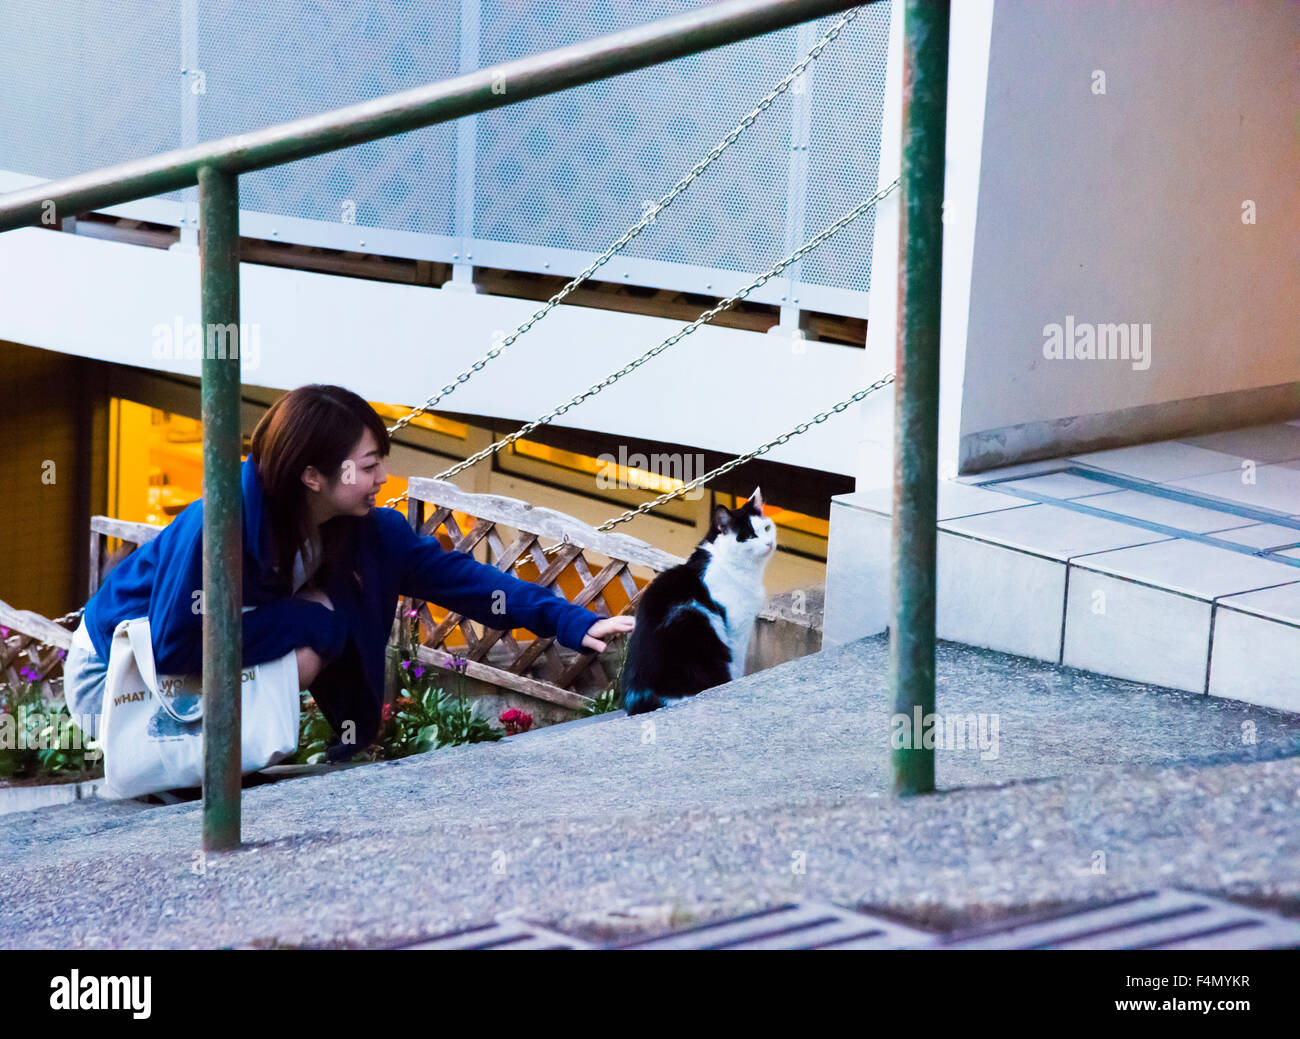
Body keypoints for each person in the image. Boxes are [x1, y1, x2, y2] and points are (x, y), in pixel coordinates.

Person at [63, 384, 634, 760]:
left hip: (189, 665)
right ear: (313, 476)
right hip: (119, 676)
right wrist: (308, 622)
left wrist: (569, 619)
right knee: (317, 626)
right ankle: (212, 777)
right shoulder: (219, 525)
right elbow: (173, 645)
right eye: (368, 466)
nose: (383, 476)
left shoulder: (361, 529)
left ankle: (237, 768)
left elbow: (460, 579)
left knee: (317, 624)